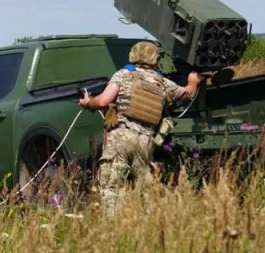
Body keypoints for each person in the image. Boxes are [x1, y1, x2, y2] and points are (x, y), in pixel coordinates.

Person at [78, 41, 203, 219]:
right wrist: (193, 81)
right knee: (144, 190)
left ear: (132, 55)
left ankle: (111, 227)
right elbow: (187, 93)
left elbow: (104, 101)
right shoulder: (162, 82)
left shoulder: (123, 74)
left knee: (112, 187)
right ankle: (144, 227)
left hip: (120, 137)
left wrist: (88, 102)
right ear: (155, 59)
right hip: (145, 141)